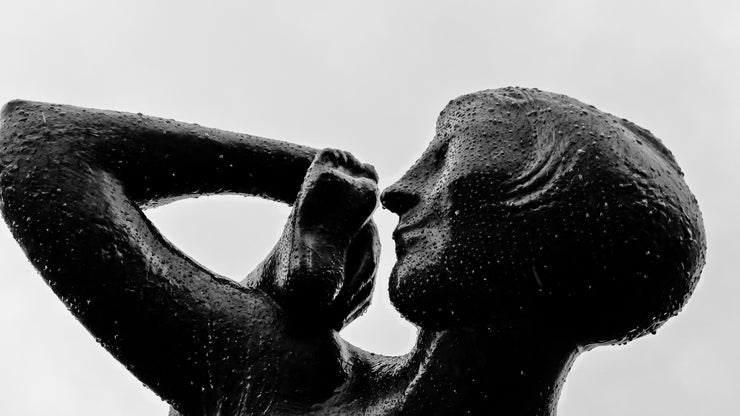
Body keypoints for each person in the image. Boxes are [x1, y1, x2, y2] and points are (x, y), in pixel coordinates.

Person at [0, 87, 705, 415]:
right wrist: (299, 175)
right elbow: (40, 146)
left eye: (448, 162)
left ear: (547, 237)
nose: (399, 190)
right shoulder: (291, 372)